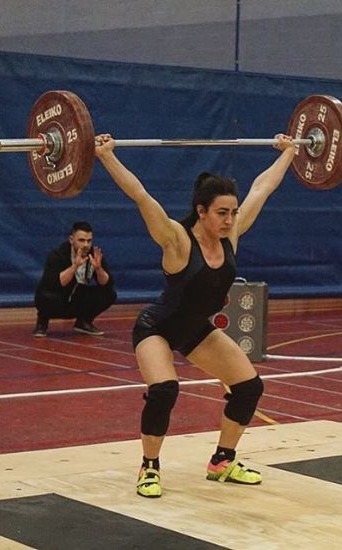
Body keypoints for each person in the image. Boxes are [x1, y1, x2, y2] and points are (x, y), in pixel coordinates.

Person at [94, 131, 296, 498]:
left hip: (194, 331)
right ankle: (149, 467)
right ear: (201, 211)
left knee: (249, 387)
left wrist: (290, 151)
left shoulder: (231, 235)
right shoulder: (177, 239)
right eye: (221, 213)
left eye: (233, 213)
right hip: (157, 328)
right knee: (165, 389)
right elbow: (140, 196)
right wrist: (106, 155)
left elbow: (262, 188)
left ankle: (223, 460)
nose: (230, 220)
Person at [33, 221, 117, 337]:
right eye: (81, 240)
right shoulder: (57, 255)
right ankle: (42, 322)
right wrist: (75, 266)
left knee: (109, 294)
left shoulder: (94, 254)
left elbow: (107, 283)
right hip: (57, 297)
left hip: (77, 296)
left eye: (89, 241)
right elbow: (56, 283)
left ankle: (84, 321)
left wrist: (98, 269)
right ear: (71, 240)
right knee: (46, 296)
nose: (86, 245)